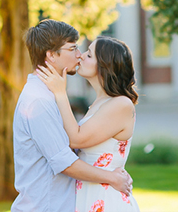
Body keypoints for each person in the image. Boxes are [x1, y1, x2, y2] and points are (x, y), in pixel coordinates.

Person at [13, 19, 133, 212]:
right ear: (51, 55)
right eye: (73, 49)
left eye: (85, 52)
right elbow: (64, 162)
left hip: (91, 199)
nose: (79, 55)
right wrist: (112, 176)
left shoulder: (52, 96)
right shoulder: (39, 101)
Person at [37, 35, 140, 212]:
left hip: (106, 199)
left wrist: (61, 93)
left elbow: (76, 139)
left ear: (105, 66)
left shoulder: (121, 104)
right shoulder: (99, 103)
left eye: (89, 55)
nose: (81, 56)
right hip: (89, 194)